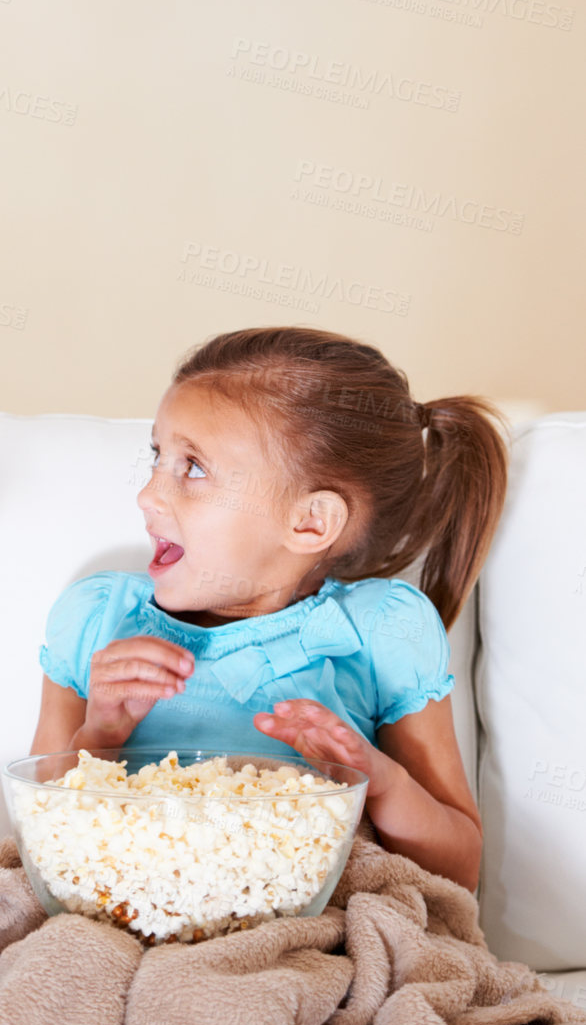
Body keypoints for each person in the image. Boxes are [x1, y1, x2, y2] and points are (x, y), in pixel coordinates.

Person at [30, 327, 509, 892]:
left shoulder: (381, 631)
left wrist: (380, 782)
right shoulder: (98, 619)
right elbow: (40, 838)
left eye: (194, 468)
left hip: (303, 930)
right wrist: (101, 734)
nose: (148, 495)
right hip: (129, 911)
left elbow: (458, 871)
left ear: (309, 522)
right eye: (158, 456)